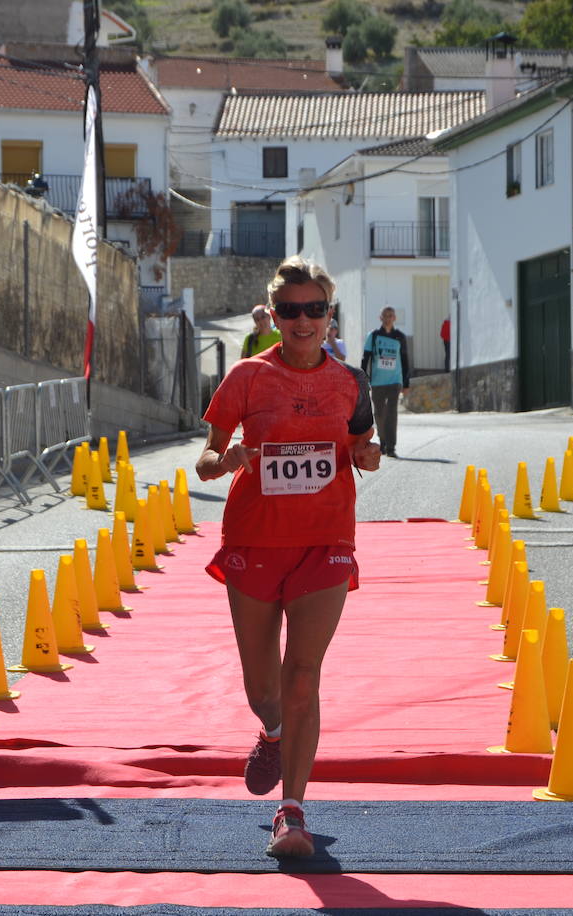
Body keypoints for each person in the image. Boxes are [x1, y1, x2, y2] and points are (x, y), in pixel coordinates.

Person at [196, 256, 381, 858]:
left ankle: (292, 812)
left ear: (330, 315)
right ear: (275, 315)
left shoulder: (351, 383)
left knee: (303, 674)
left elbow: (358, 447)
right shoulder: (246, 377)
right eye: (291, 310)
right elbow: (206, 455)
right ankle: (272, 731)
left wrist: (368, 455)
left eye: (315, 310)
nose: (303, 321)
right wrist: (225, 462)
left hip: (327, 541)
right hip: (254, 540)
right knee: (262, 684)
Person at [360, 306, 410, 458]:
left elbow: (405, 360)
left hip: (395, 381)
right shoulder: (373, 336)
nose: (388, 318)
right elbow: (365, 359)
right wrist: (363, 379)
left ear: (394, 318)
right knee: (380, 413)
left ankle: (391, 447)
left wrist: (406, 383)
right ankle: (383, 441)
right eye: (385, 315)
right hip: (377, 382)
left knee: (392, 413)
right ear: (380, 317)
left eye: (390, 315)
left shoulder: (400, 337)